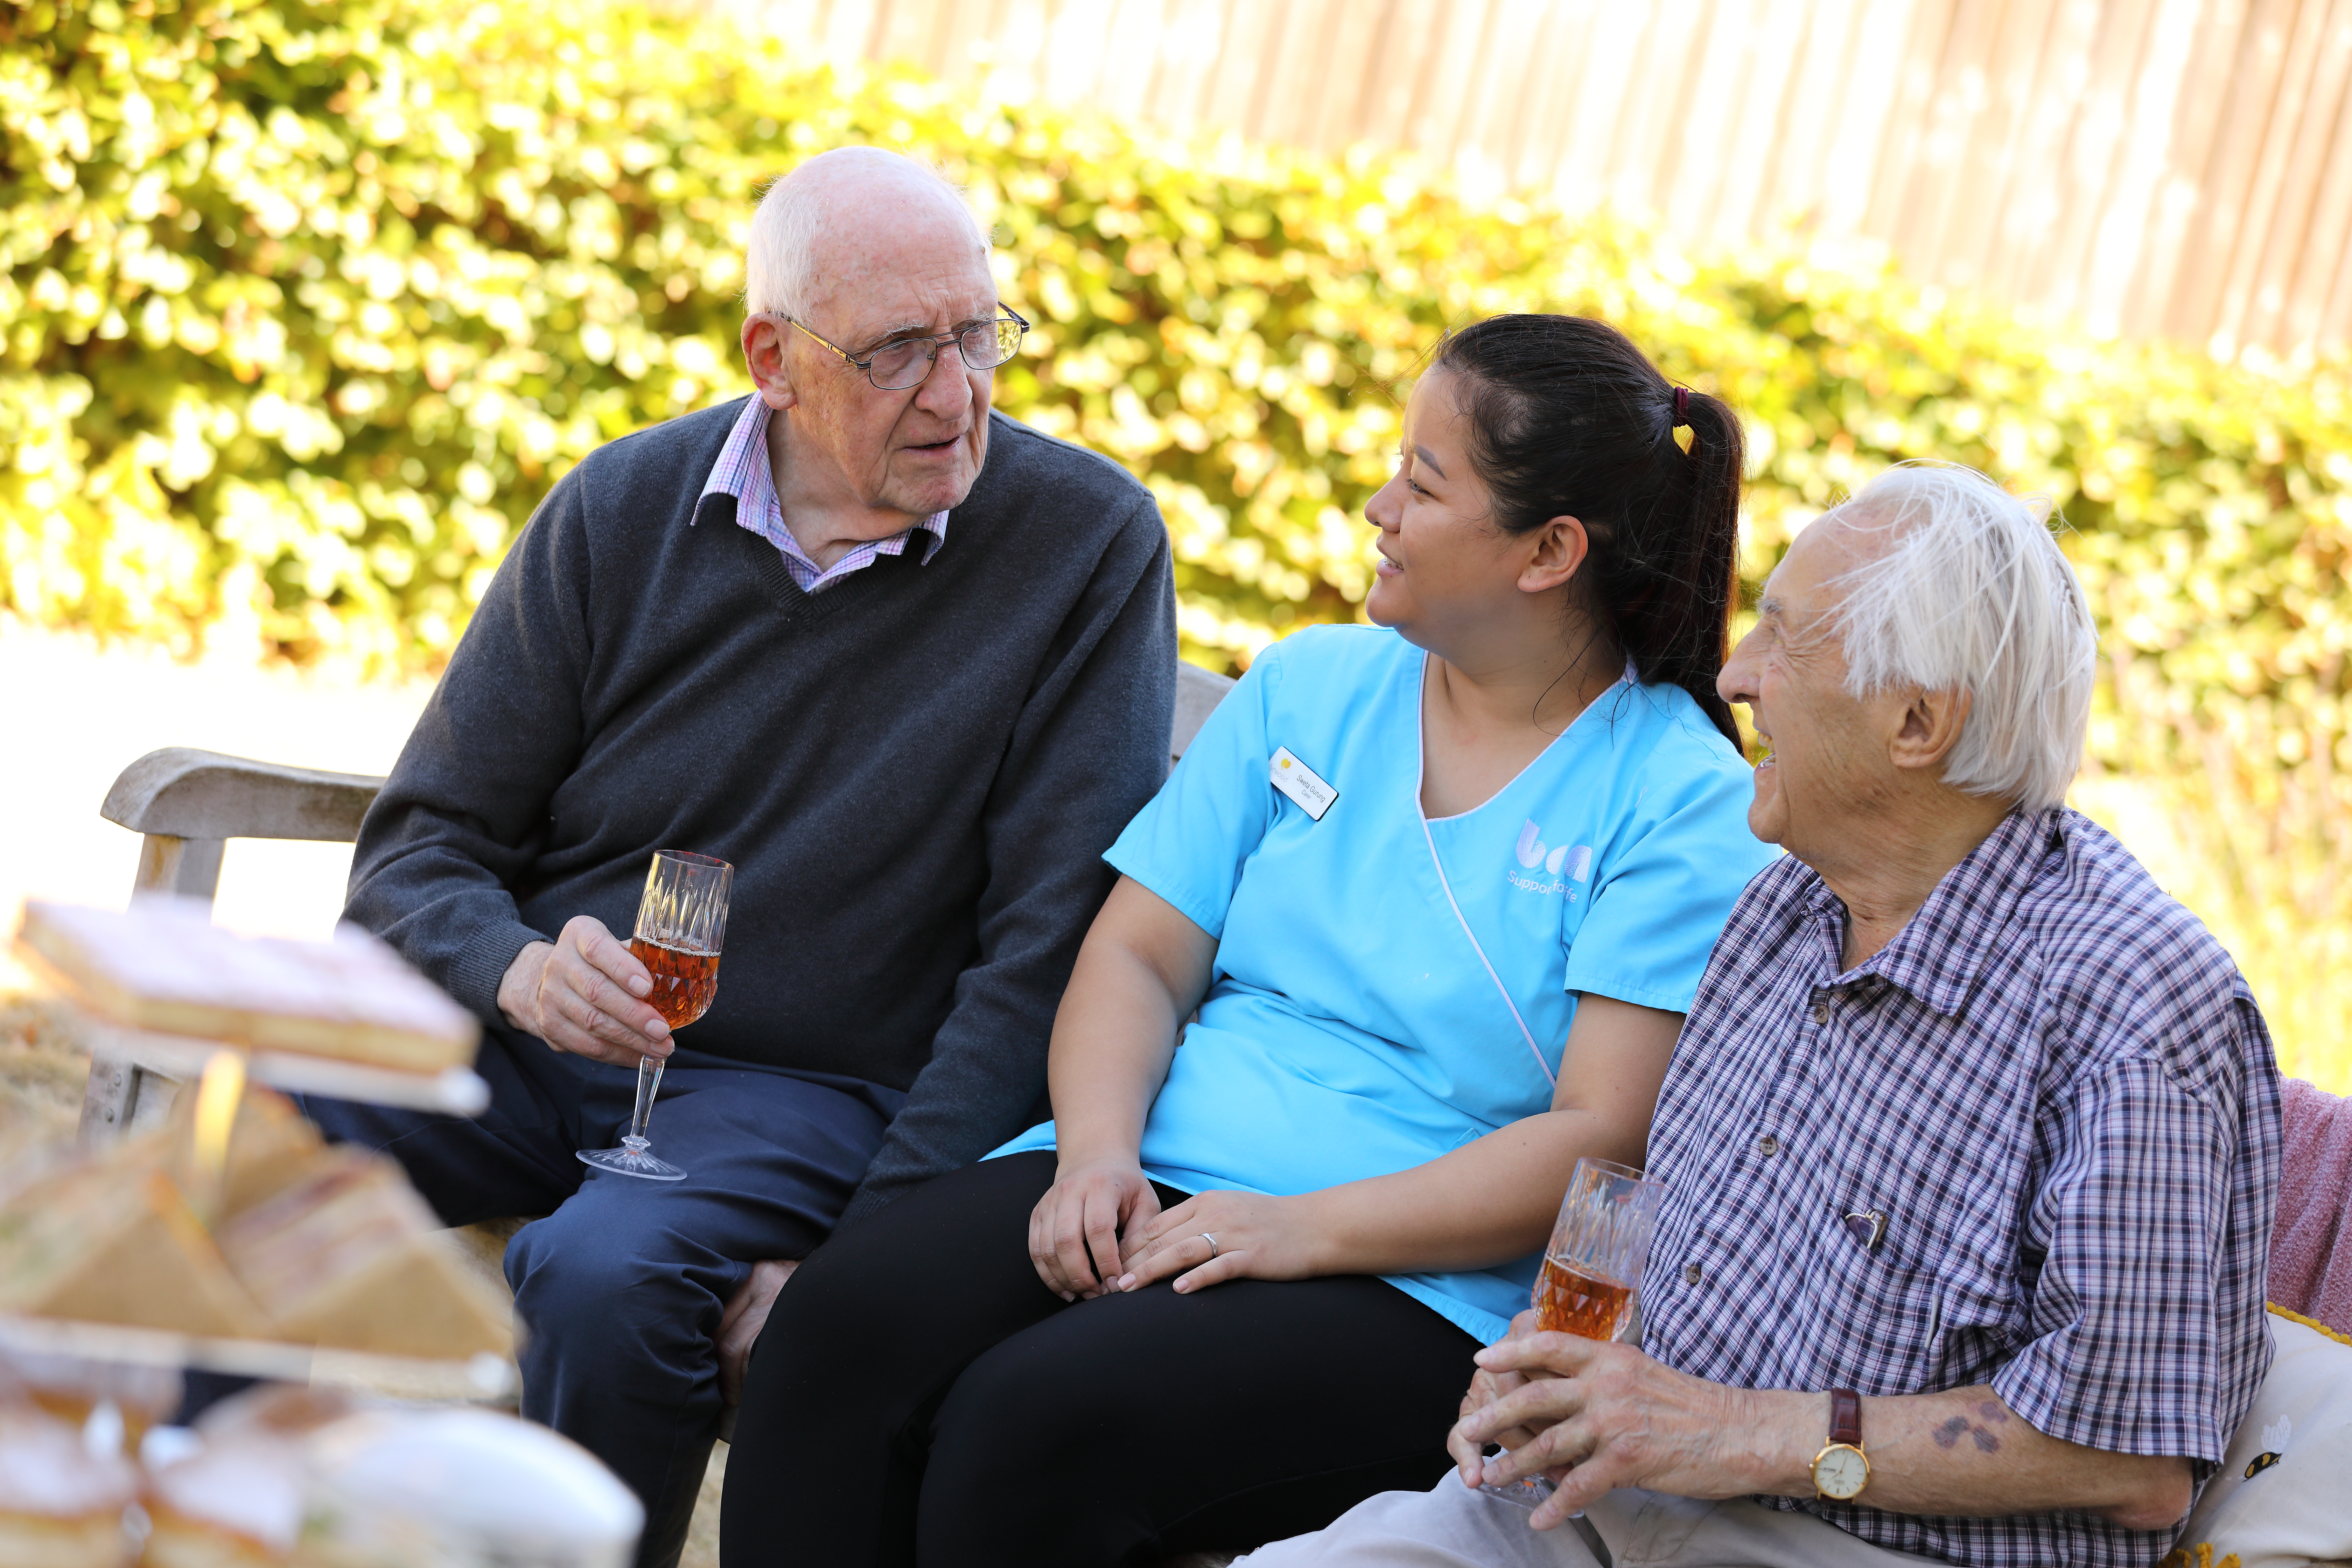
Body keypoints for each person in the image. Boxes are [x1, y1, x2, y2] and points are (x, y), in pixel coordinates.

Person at [720, 315, 1782, 1567]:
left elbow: (1602, 1139)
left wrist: (1300, 1229)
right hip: (1152, 1170)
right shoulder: (1315, 685)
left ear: (1549, 552)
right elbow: (1137, 956)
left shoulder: (1677, 794)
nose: (1379, 506)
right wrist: (1095, 1157)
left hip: (1414, 1279)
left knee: (1036, 1427)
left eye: (1423, 484)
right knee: (838, 1331)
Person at [309, 148, 1177, 1568]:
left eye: (978, 336)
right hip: (538, 1044)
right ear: (771, 357)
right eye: (900, 351)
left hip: (798, 1091)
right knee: (245, 1139)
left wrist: (865, 1268)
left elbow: (1046, 951)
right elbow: (421, 848)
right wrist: (517, 969)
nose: (956, 394)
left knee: (602, 1272)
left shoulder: (1083, 546)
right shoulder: (621, 507)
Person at [1236, 462, 2283, 1568]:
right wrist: (1548, 1367)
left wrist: (1741, 1437)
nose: (1734, 676)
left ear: (1917, 723)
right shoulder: (1786, 901)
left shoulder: (2135, 1003)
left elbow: (2136, 1466)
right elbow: (1667, 1244)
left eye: (1782, 641)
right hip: (1609, 1498)